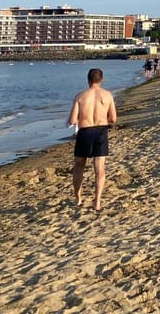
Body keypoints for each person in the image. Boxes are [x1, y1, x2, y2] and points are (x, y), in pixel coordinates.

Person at [69, 68, 117, 211]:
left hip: (85, 131)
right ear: (101, 80)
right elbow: (113, 118)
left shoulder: (80, 96)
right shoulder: (107, 95)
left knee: (79, 166)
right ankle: (97, 201)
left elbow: (72, 121)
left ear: (88, 80)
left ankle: (78, 199)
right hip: (101, 131)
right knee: (99, 168)